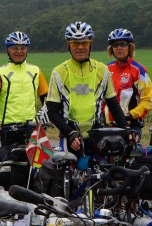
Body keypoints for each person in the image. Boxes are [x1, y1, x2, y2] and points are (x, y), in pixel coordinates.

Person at [46, 21, 129, 155]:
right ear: (68, 45)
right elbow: (52, 112)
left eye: (84, 43)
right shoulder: (59, 72)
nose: (80, 47)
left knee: (99, 174)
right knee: (67, 174)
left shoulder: (102, 69)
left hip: (96, 135)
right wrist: (70, 132)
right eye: (75, 43)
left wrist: (125, 128)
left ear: (91, 43)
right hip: (70, 136)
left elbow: (113, 104)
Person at [0, 31, 49, 145]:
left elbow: (46, 97)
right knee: (11, 161)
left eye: (22, 48)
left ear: (27, 50)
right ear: (8, 50)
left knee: (34, 162)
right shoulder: (0, 72)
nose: (19, 51)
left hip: (32, 127)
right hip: (8, 127)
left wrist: (44, 118)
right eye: (15, 48)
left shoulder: (35, 71)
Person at [102, 28, 152, 133]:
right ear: (111, 49)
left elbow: (148, 101)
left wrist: (131, 115)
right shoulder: (107, 69)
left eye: (123, 44)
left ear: (130, 47)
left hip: (131, 126)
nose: (119, 48)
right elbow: (102, 98)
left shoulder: (138, 70)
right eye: (115, 45)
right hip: (108, 126)